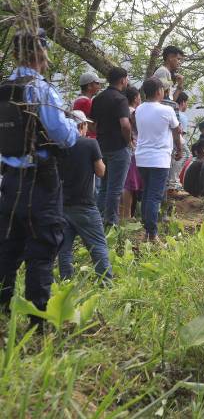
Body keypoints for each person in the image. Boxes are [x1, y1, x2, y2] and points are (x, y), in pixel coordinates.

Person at [0, 29, 78, 324]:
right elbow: (62, 136)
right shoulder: (41, 90)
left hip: (9, 182)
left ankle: (3, 310)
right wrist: (74, 129)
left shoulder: (4, 88)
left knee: (7, 248)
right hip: (40, 182)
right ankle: (37, 323)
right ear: (41, 53)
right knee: (42, 248)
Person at [57, 110, 112, 283]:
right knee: (98, 246)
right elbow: (101, 171)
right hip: (85, 205)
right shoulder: (90, 144)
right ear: (81, 125)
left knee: (64, 249)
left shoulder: (57, 146)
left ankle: (66, 283)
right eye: (86, 124)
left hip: (62, 204)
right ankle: (106, 283)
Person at [134, 78, 181, 241]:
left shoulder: (139, 109)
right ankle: (152, 233)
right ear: (158, 91)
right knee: (154, 196)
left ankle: (147, 228)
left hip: (142, 158)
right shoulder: (166, 110)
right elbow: (177, 131)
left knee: (147, 193)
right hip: (159, 159)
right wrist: (179, 149)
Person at [91, 67, 132, 227]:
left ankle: (99, 220)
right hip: (118, 147)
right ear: (123, 80)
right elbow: (125, 125)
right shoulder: (120, 99)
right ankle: (111, 223)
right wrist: (128, 141)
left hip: (101, 147)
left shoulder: (98, 98)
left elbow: (92, 125)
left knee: (104, 187)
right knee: (115, 188)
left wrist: (102, 134)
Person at [121, 86, 142, 222]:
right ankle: (126, 215)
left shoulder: (122, 111)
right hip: (133, 150)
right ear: (135, 98)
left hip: (126, 149)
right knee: (129, 184)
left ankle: (125, 213)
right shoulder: (134, 112)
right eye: (139, 96)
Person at [167, 91, 191, 192]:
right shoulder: (182, 117)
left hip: (167, 141)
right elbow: (180, 135)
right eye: (187, 103)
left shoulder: (170, 110)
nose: (187, 106)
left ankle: (170, 182)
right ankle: (174, 182)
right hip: (176, 141)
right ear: (183, 102)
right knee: (186, 153)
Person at [72, 72, 102, 138]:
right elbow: (92, 128)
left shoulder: (77, 100)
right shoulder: (86, 102)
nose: (100, 86)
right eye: (97, 83)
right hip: (89, 138)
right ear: (89, 86)